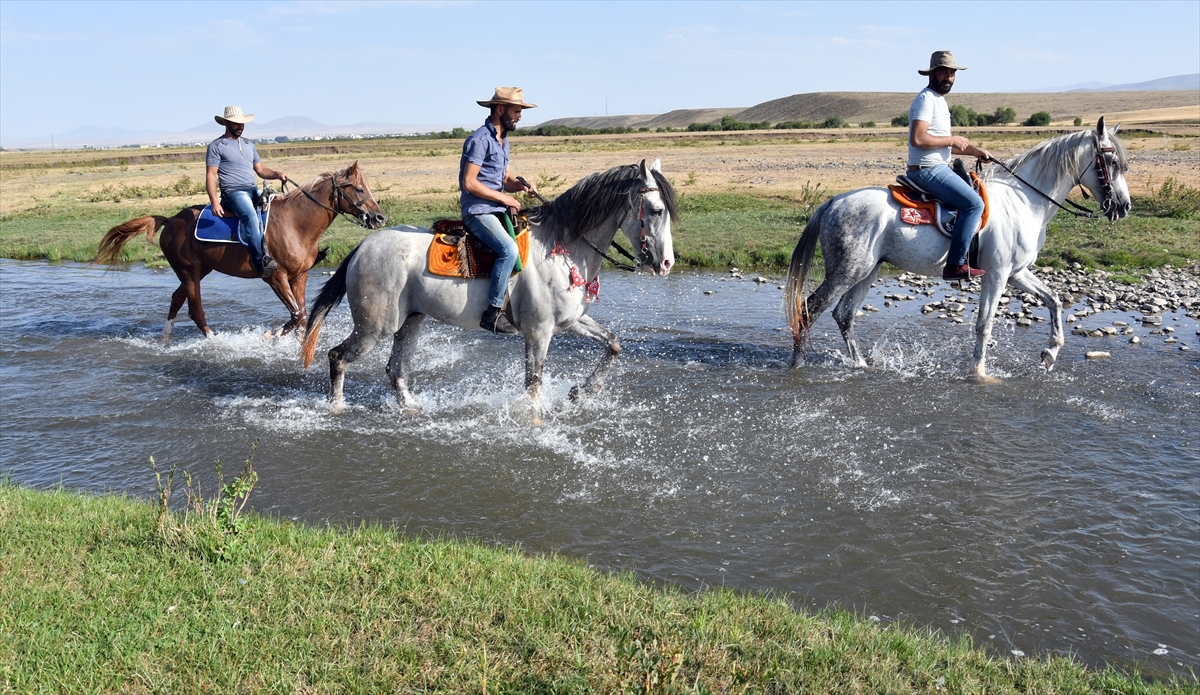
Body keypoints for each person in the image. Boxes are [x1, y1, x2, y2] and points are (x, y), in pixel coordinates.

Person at [907, 51, 994, 280]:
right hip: (928, 169)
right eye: (944, 72)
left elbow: (942, 144)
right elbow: (918, 139)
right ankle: (955, 265)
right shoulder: (926, 100)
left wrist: (975, 151)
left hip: (936, 166)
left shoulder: (939, 101)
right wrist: (952, 139)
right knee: (974, 204)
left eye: (952, 73)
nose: (949, 77)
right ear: (932, 74)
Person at [459, 87, 539, 334]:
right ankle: (493, 313)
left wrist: (521, 186)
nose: (520, 117)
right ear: (501, 109)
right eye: (516, 111)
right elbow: (469, 182)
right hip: (479, 211)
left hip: (496, 208)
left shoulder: (504, 142)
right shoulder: (480, 140)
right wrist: (505, 198)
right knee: (509, 249)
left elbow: (504, 179)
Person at [205, 105, 289, 279]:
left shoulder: (249, 144)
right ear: (226, 123)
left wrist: (277, 174)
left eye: (242, 123)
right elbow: (211, 175)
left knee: (282, 204)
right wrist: (214, 201)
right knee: (250, 216)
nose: (240, 126)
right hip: (233, 193)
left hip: (252, 189)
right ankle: (260, 262)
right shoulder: (216, 146)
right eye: (236, 123)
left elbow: (260, 169)